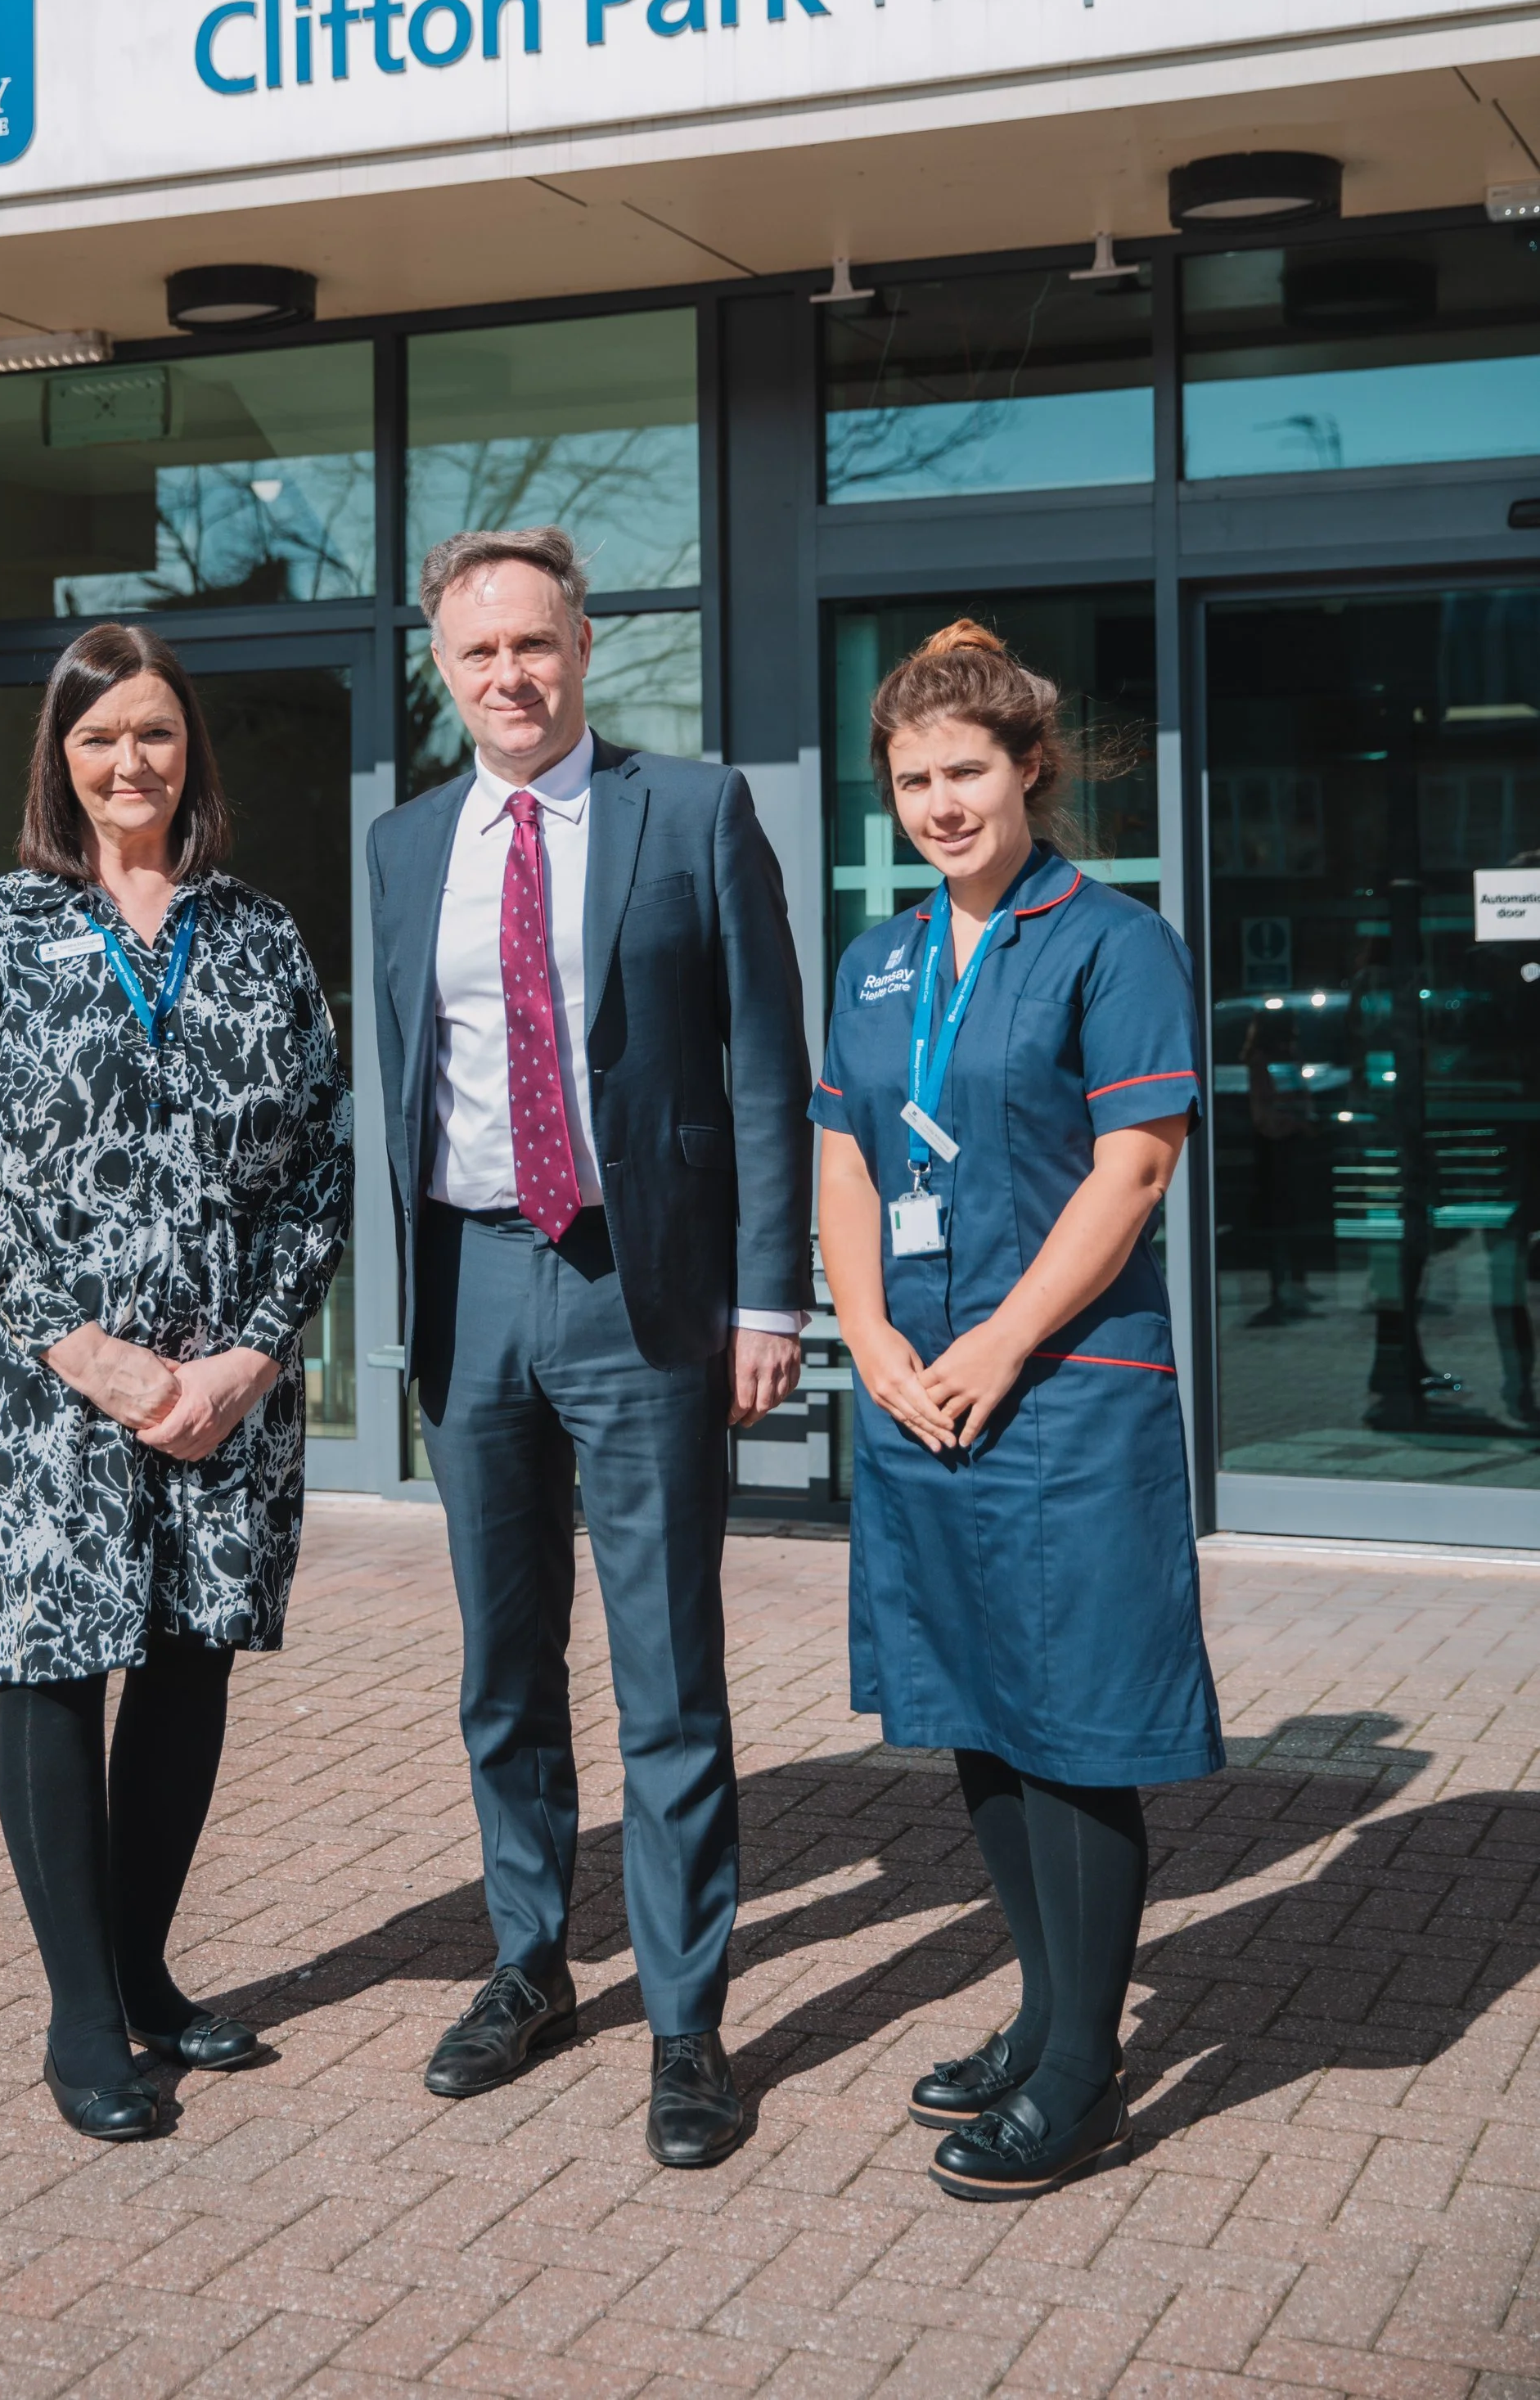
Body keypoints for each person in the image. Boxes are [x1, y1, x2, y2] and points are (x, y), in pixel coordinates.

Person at [367, 527, 815, 2168]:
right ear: (443, 666)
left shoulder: (688, 812)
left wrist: (772, 1301)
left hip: (645, 1288)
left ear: (581, 650)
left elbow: (767, 1065)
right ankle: (527, 1962)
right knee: (502, 1667)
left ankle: (688, 2026)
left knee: (665, 1674)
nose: (509, 675)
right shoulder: (403, 845)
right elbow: (402, 1082)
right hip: (473, 1280)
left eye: (534, 646)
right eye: (479, 652)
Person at [0, 622, 352, 2140]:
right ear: (61, 758)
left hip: (221, 1391)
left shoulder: (260, 938)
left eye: (154, 733)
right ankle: (84, 2019)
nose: (129, 763)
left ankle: (148, 1972)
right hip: (47, 1395)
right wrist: (84, 1351)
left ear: (190, 751)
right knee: (51, 1668)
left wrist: (250, 1353)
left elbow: (320, 1172)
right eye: (100, 738)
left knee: (185, 1663)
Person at [814, 620, 1222, 2203]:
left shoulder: (1115, 940)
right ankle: (1047, 2010)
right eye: (913, 779)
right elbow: (846, 1157)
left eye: (966, 771)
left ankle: (1082, 2070)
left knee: (1076, 1731)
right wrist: (867, 1332)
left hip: (1061, 1394)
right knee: (977, 1709)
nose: (939, 802)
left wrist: (995, 1338)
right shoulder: (882, 956)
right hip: (921, 1395)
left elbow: (1135, 1169)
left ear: (1030, 767)